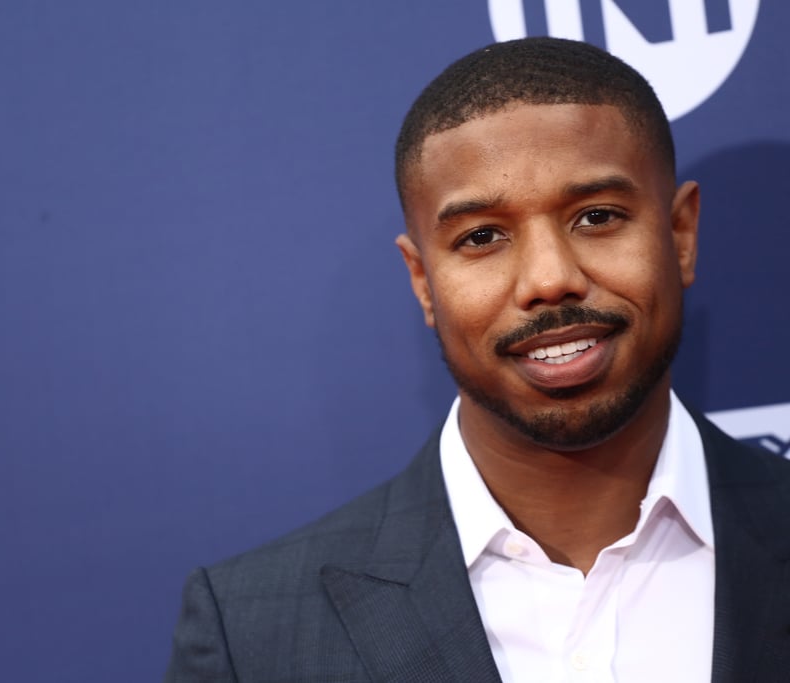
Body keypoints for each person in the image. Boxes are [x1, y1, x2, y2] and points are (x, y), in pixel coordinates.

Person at [164, 37, 790, 682]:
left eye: (597, 217)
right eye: (481, 236)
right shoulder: (251, 633)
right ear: (421, 280)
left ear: (680, 236)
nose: (549, 279)